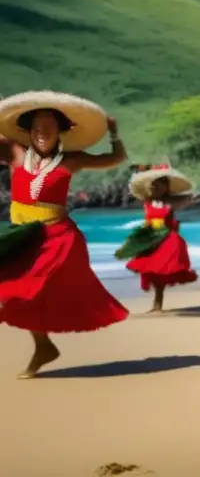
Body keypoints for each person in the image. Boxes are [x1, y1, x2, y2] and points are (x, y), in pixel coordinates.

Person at [0, 91, 129, 378]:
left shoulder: (71, 159)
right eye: (36, 128)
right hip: (22, 236)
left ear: (61, 131)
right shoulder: (14, 153)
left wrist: (114, 132)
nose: (42, 133)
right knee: (16, 292)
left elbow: (117, 157)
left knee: (27, 290)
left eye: (48, 128)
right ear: (28, 132)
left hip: (58, 238)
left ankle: (43, 348)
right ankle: (43, 346)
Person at [115, 164, 198, 312]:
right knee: (150, 270)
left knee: (160, 270)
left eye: (158, 185)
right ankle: (157, 302)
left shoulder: (171, 203)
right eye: (152, 186)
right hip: (150, 238)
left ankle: (157, 303)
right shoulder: (147, 201)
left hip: (167, 239)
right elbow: (136, 189)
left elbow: (189, 197)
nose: (154, 188)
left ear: (166, 187)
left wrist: (172, 195)